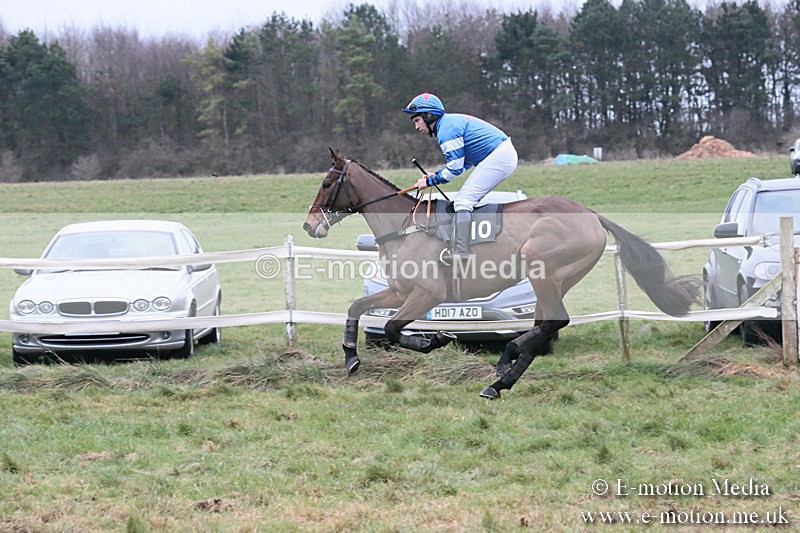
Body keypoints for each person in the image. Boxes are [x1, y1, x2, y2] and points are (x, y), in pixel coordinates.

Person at [402, 92, 518, 264]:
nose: (416, 127)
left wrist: (429, 181)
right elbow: (464, 164)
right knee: (465, 199)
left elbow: (454, 170)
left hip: (500, 156)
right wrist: (436, 175)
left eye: (417, 121)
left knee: (463, 200)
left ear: (428, 115)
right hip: (500, 154)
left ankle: (461, 251)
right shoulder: (448, 124)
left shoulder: (446, 131)